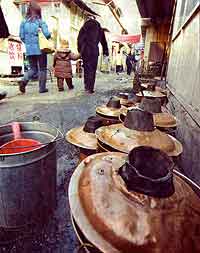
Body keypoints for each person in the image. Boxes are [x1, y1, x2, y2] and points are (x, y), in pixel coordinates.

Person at [18, 1, 51, 94]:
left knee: (33, 68)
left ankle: (24, 80)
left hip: (29, 49)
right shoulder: (40, 22)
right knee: (42, 68)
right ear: (38, 11)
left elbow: (21, 36)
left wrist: (28, 43)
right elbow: (47, 35)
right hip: (41, 49)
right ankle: (42, 88)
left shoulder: (23, 22)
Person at [77, 16, 109, 94]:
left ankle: (86, 86)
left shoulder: (84, 27)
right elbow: (103, 41)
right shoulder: (99, 28)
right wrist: (105, 51)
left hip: (85, 50)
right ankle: (91, 88)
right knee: (93, 70)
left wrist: (80, 50)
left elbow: (79, 40)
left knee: (87, 68)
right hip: (94, 51)